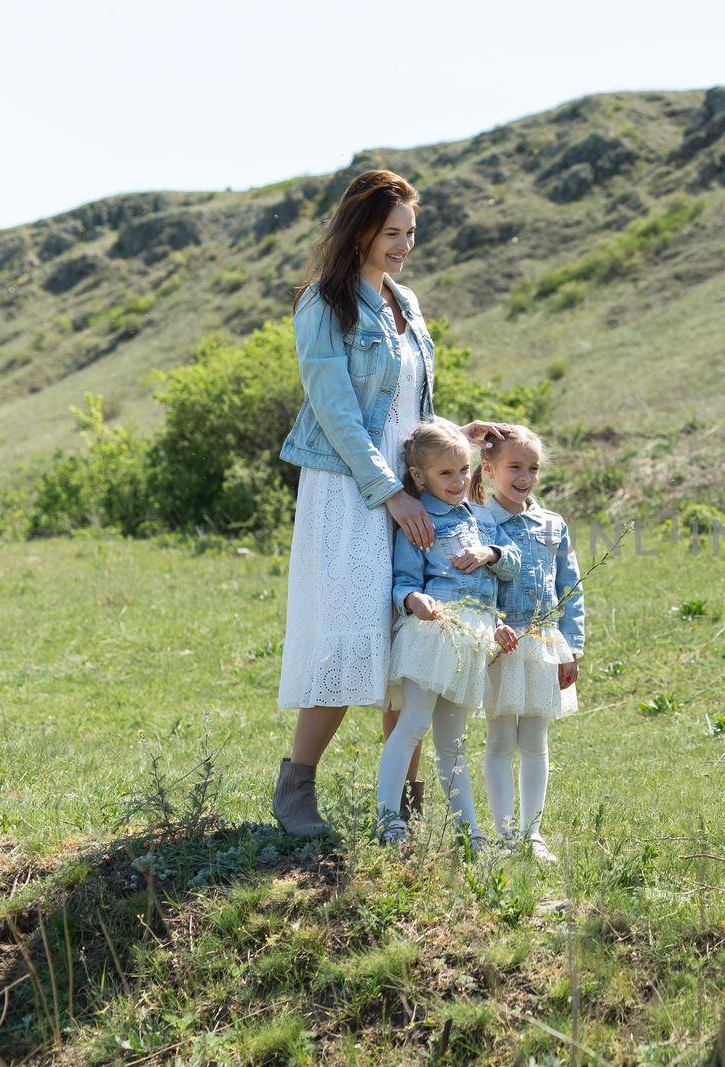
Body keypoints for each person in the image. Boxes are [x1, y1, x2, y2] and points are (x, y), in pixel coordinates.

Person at [274, 169, 508, 837]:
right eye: (392, 232)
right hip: (349, 490)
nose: (404, 244)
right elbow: (340, 412)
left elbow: (410, 414)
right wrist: (388, 493)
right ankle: (295, 790)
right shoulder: (325, 302)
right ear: (361, 228)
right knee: (347, 630)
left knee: (407, 639)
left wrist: (452, 445)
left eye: (411, 232)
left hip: (406, 489)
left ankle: (400, 809)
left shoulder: (405, 302)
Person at [378, 419, 520, 846]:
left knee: (454, 742)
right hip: (436, 633)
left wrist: (489, 553)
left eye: (463, 471)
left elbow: (507, 566)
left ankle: (467, 830)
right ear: (419, 477)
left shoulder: (480, 518)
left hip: (473, 638)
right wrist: (412, 601)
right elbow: (404, 579)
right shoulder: (419, 520)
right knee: (413, 724)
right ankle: (390, 818)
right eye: (446, 474)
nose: (458, 481)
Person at [472, 427, 584, 862]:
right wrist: (489, 627)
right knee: (500, 740)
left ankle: (533, 835)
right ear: (489, 469)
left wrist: (570, 647)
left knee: (536, 740)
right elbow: (473, 584)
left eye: (532, 468)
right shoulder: (477, 522)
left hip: (542, 643)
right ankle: (505, 833)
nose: (524, 476)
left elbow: (570, 587)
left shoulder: (552, 524)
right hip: (500, 643)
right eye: (514, 466)